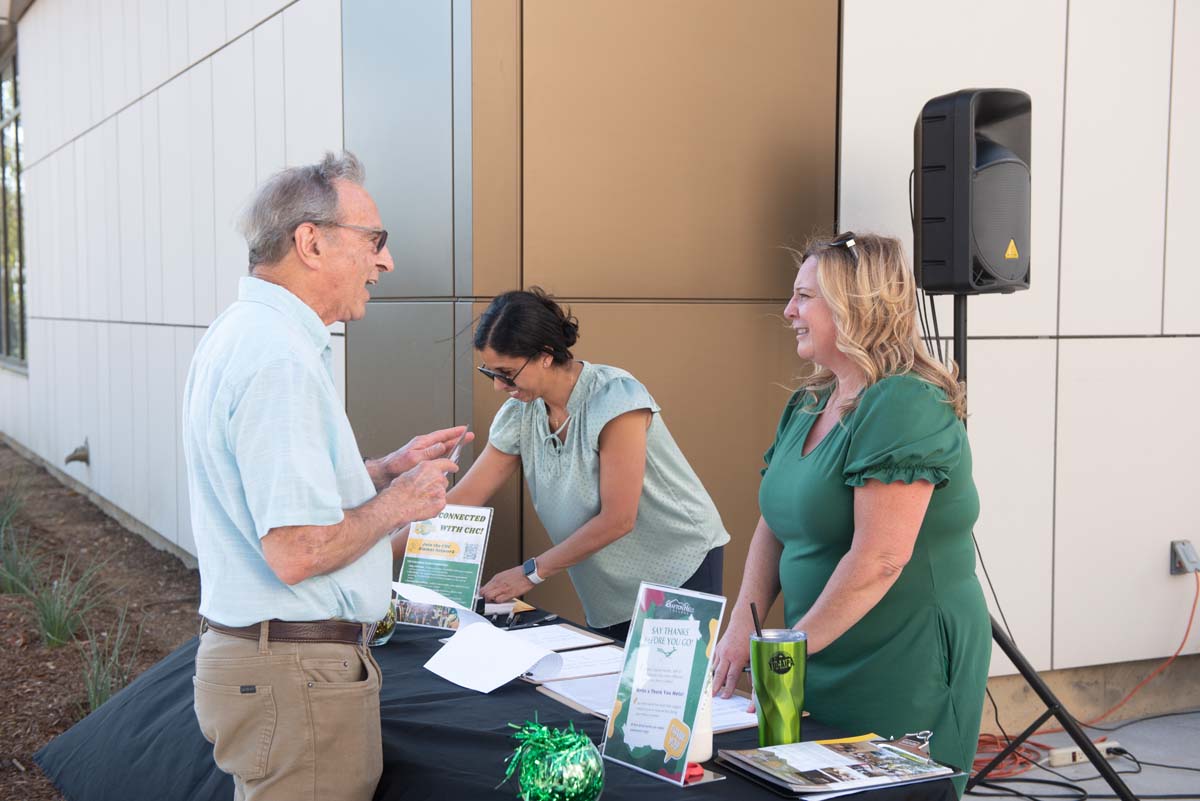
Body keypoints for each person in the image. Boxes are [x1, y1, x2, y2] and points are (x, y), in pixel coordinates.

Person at [182, 151, 471, 801]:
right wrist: (400, 500)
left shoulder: (244, 335)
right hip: (295, 674)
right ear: (310, 242)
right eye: (375, 240)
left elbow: (266, 491)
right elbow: (295, 548)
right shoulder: (278, 357)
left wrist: (381, 468)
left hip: (275, 667)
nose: (386, 261)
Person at [711, 232, 990, 795]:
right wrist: (745, 621)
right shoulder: (811, 400)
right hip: (812, 649)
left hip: (899, 660)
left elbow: (882, 557)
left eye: (804, 297)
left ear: (856, 307)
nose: (789, 311)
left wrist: (783, 656)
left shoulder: (905, 402)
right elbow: (775, 522)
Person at [427, 288, 729, 641]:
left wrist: (529, 573)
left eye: (507, 373)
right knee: (609, 690)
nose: (498, 386)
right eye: (490, 372)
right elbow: (464, 499)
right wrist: (373, 547)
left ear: (544, 356)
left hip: (677, 564)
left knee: (662, 691)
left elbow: (619, 519)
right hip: (606, 582)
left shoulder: (615, 398)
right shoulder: (520, 413)